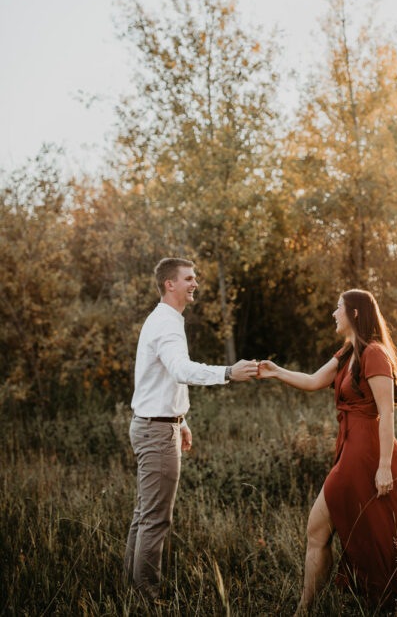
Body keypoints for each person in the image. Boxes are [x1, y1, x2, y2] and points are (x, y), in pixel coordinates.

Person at [258, 288, 397, 613]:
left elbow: (386, 413)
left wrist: (384, 466)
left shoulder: (374, 354)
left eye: (338, 308)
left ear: (355, 313)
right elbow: (313, 381)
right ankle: (310, 608)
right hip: (350, 447)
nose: (333, 314)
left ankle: (308, 610)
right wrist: (275, 371)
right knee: (369, 528)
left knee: (325, 527)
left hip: (366, 452)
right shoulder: (347, 353)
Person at [123, 257, 258, 601]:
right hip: (155, 433)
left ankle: (131, 586)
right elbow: (182, 370)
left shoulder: (165, 320)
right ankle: (146, 595)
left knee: (144, 514)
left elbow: (166, 378)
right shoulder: (166, 323)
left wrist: (181, 421)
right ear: (170, 284)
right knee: (155, 519)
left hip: (153, 424)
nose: (195, 283)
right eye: (189, 278)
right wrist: (229, 372)